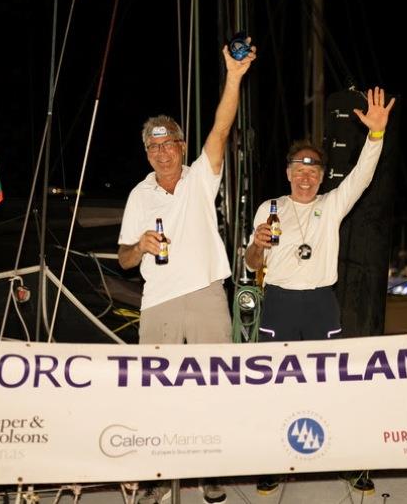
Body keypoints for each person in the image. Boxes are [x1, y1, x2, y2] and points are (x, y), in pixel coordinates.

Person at [118, 40, 256, 504]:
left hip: (204, 294)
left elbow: (221, 127)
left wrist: (233, 77)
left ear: (181, 146)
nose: (162, 153)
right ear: (147, 152)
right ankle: (157, 473)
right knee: (155, 390)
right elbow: (123, 259)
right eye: (153, 147)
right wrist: (139, 245)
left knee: (213, 383)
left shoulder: (201, 179)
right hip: (157, 302)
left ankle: (209, 469)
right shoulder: (140, 196)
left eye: (169, 144)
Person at [244, 86, 395, 495]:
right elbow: (250, 264)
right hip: (278, 302)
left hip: (320, 304)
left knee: (331, 383)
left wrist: (375, 134)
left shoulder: (332, 205)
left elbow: (363, 175)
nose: (306, 176)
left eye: (313, 170)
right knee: (276, 386)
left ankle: (348, 461)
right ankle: (274, 463)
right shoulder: (269, 208)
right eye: (299, 169)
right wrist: (257, 245)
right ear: (288, 173)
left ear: (322, 176)